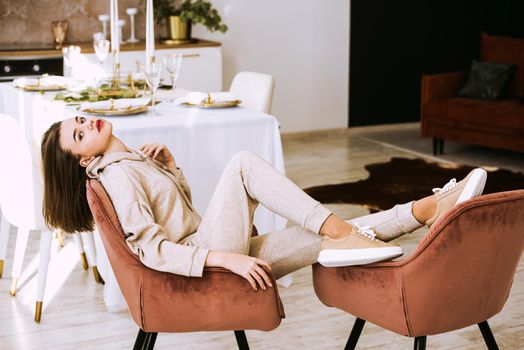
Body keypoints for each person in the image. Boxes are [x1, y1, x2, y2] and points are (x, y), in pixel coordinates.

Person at [41, 116, 487, 291]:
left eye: (79, 119)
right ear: (84, 159)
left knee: (323, 235)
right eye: (79, 134)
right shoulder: (116, 174)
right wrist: (228, 262)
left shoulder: (132, 159)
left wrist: (173, 169)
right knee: (242, 165)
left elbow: (181, 218)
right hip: (213, 262)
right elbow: (151, 249)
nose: (86, 123)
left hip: (213, 246)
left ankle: (429, 210)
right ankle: (342, 232)